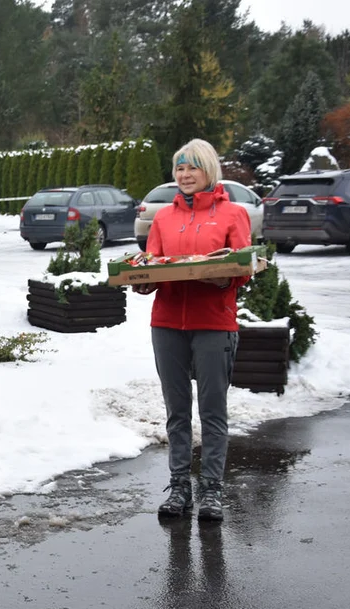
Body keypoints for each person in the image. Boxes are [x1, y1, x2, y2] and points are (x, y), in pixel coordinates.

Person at [133, 138, 251, 522]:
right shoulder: (163, 218)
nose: (184, 175)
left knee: (213, 410)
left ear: (208, 171)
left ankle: (212, 490)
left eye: (192, 167)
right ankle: (180, 486)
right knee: (176, 411)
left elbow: (243, 270)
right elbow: (151, 264)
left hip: (214, 323)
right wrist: (142, 280)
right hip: (167, 322)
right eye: (179, 168)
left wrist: (220, 280)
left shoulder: (233, 214)